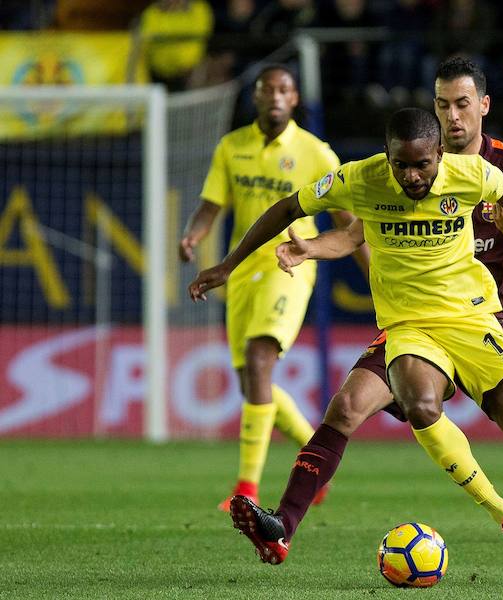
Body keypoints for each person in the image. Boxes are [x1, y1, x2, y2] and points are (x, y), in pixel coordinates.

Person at [216, 57, 503, 580]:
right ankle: (282, 526)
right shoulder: (370, 177)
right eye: (443, 104)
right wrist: (299, 252)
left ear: (481, 107)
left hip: (483, 317)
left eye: (462, 104)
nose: (453, 115)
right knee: (356, 406)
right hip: (410, 325)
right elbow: (348, 231)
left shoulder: (495, 169)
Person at [180, 64, 355, 511]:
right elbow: (211, 204)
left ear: (295, 99)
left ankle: (247, 488)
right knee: (251, 381)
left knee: (260, 360)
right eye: (266, 90)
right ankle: (312, 457)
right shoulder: (231, 147)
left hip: (289, 267)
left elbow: (347, 224)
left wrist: (377, 278)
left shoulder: (317, 154)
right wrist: (195, 235)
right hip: (240, 273)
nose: (275, 96)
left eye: (284, 90)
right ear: (256, 97)